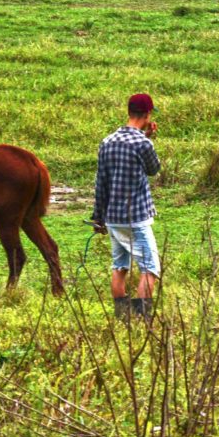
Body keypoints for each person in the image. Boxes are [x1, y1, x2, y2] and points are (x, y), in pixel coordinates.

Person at [92, 92, 161, 321]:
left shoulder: (107, 142)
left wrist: (98, 217)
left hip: (112, 217)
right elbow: (153, 169)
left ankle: (123, 319)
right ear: (147, 114)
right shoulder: (143, 143)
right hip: (137, 217)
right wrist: (149, 138)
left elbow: (100, 182)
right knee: (150, 268)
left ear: (129, 112)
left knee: (119, 266)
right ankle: (143, 320)